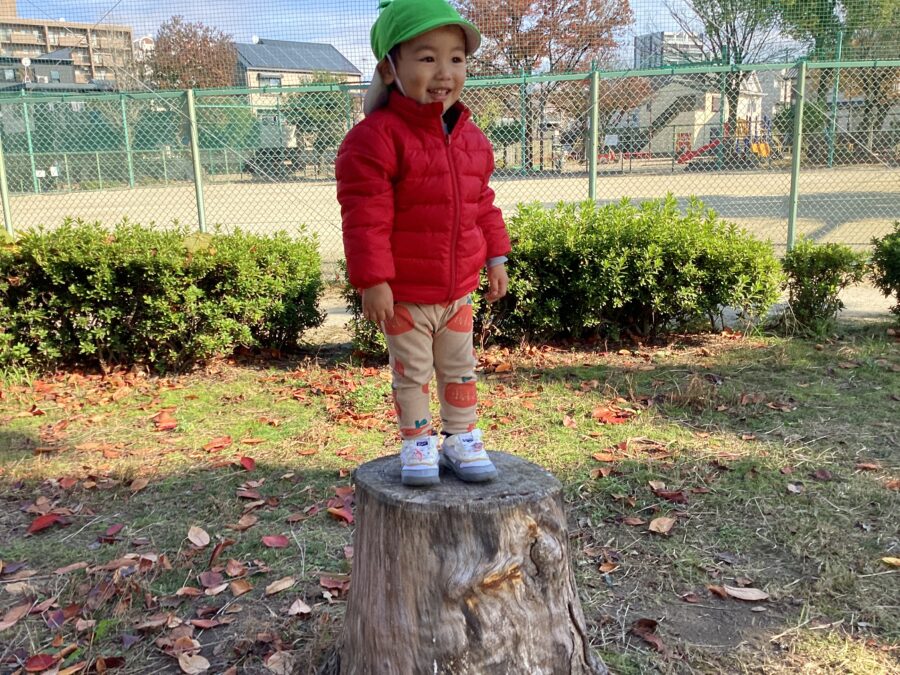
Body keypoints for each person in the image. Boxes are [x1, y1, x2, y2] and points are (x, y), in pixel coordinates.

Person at [336, 0, 511, 487]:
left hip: (457, 291)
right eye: (428, 57)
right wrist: (373, 280)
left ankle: (461, 437)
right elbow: (364, 217)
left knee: (460, 367)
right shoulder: (375, 139)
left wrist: (496, 256)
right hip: (406, 294)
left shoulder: (471, 138)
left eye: (456, 59)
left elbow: (482, 202)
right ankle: (417, 441)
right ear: (388, 69)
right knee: (412, 371)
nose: (444, 72)